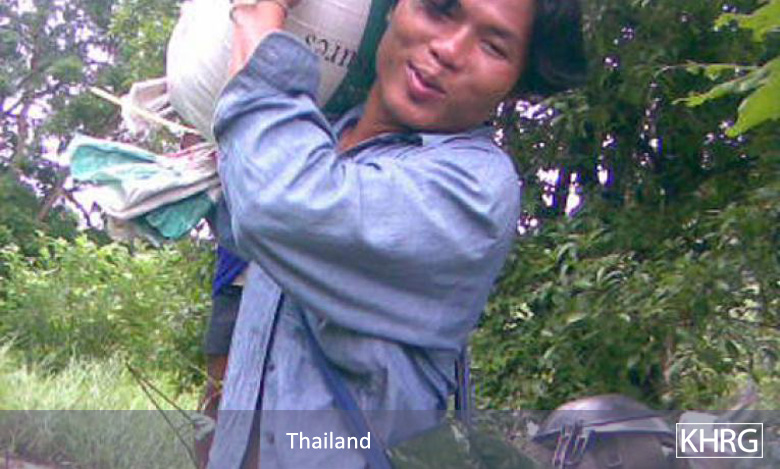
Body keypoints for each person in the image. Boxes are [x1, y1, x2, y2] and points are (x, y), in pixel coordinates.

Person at [208, 0, 587, 467]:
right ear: (391, 9)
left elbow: (276, 203)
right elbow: (248, 215)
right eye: (438, 9)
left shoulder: (474, 188)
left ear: (515, 83)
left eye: (493, 46)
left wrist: (259, 15)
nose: (449, 51)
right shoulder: (319, 140)